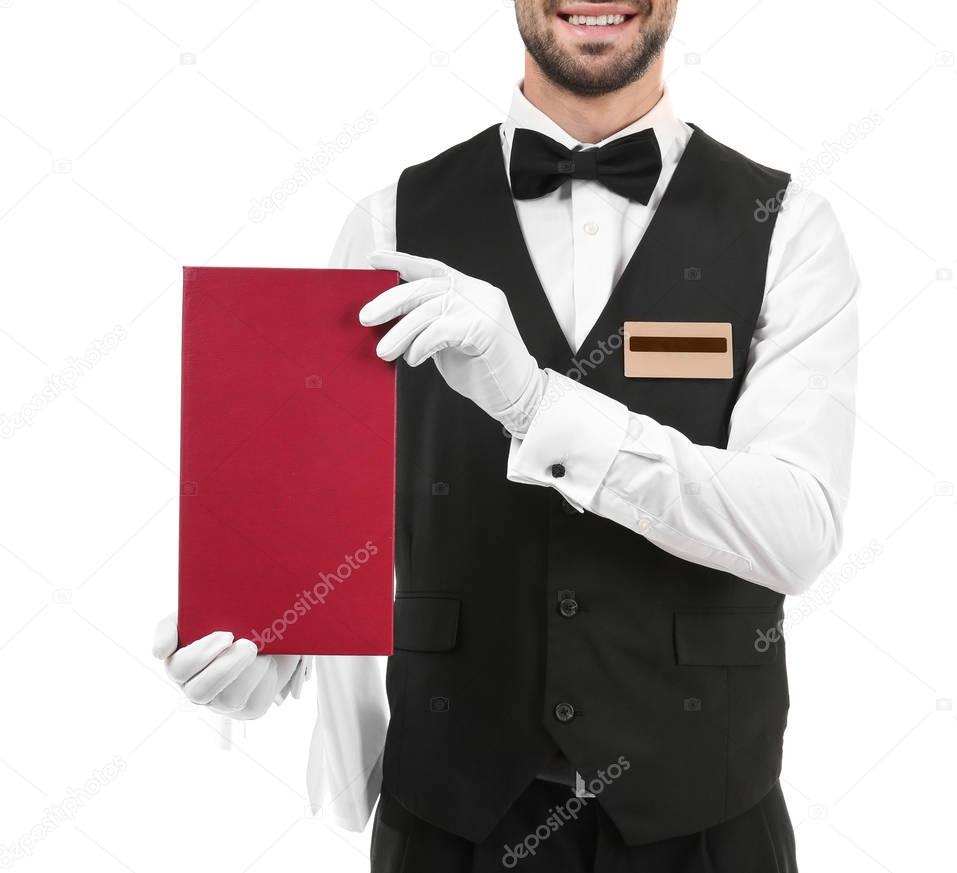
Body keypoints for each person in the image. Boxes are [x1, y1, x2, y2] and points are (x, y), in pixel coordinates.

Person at [154, 1, 859, 869]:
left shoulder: (788, 230)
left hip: (709, 823)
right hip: (452, 821)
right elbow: (333, 531)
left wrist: (533, 402)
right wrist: (269, 660)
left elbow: (796, 529)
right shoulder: (385, 225)